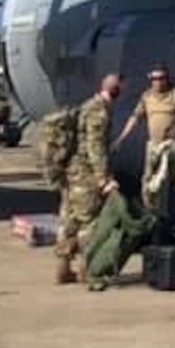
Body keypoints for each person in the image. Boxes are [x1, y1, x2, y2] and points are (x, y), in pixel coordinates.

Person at [54, 73, 122, 286]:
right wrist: (103, 179)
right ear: (116, 89)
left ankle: (63, 269)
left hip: (71, 172)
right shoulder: (99, 112)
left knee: (68, 220)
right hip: (85, 176)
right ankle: (86, 269)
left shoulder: (86, 105)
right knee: (90, 222)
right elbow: (95, 148)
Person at [113, 63, 175, 213]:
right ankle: (149, 210)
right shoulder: (147, 96)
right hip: (153, 145)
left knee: (160, 180)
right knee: (146, 181)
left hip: (169, 144)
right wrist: (121, 138)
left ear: (167, 79)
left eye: (161, 78)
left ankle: (161, 212)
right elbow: (135, 117)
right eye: (154, 78)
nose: (157, 82)